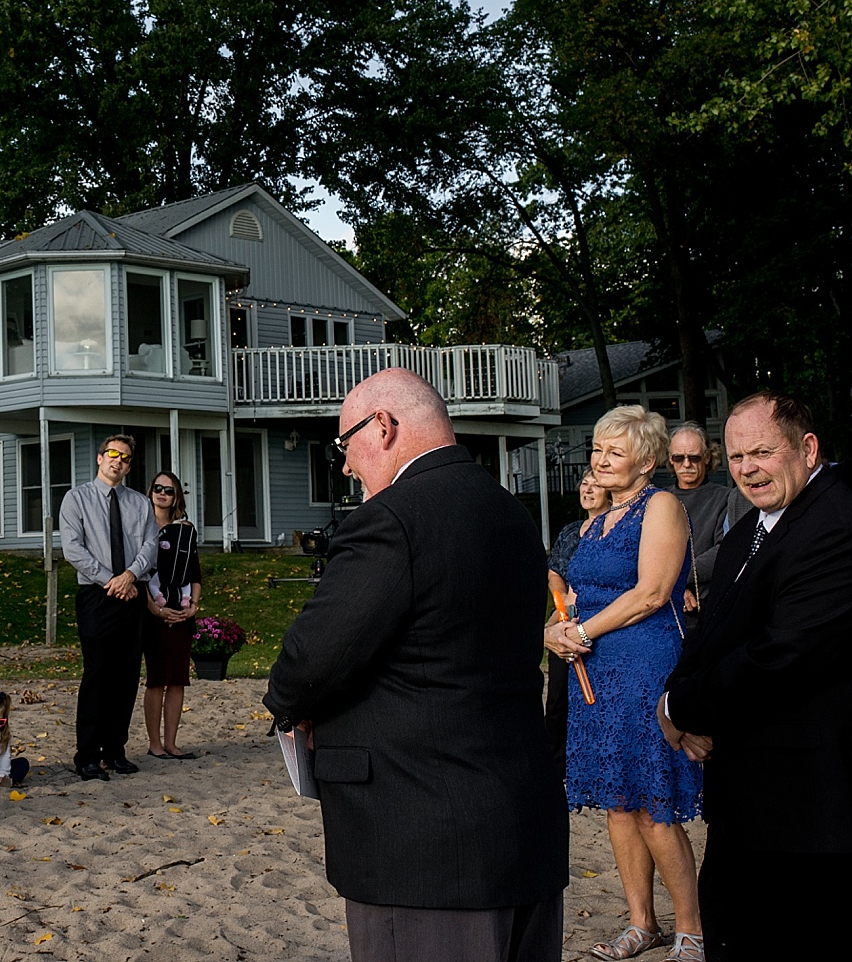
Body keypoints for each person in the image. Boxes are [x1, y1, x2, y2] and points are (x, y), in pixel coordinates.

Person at [265, 368, 567, 962]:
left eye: (344, 445)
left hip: (423, 841)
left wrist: (291, 707)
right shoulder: (512, 515)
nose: (347, 467)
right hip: (520, 819)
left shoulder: (391, 521)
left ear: (382, 427)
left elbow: (308, 662)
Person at [659, 392, 852, 959]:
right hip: (747, 800)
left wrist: (682, 708)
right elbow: (712, 633)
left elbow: (781, 654)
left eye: (763, 452)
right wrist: (672, 697)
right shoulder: (750, 529)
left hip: (810, 811)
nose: (748, 469)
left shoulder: (835, 523)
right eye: (738, 456)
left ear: (807, 449)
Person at [545, 407, 703, 961]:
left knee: (653, 806)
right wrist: (556, 630)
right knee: (617, 803)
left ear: (648, 461)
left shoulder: (661, 507)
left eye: (615, 451)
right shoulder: (591, 521)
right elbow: (573, 591)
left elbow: (653, 593)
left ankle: (692, 927)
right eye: (597, 449)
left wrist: (582, 629)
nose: (600, 460)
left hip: (643, 668)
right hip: (593, 673)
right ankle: (643, 923)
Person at [59, 435, 156, 781]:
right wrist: (110, 580)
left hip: (132, 594)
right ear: (100, 458)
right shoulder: (76, 499)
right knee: (97, 674)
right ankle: (86, 755)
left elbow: (150, 545)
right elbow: (73, 550)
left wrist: (129, 576)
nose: (119, 461)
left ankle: (115, 751)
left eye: (126, 458)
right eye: (113, 455)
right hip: (97, 596)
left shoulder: (140, 504)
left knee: (127, 676)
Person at [544, 471, 608, 767]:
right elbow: (555, 570)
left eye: (596, 485)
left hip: (599, 619)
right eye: (585, 483)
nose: (589, 489)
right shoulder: (571, 531)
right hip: (565, 617)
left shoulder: (615, 530)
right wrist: (561, 603)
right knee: (558, 695)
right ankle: (555, 761)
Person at [665, 421, 752, 627]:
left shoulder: (728, 498)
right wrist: (675, 588)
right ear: (670, 459)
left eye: (694, 457)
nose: (686, 464)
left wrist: (673, 578)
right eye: (679, 458)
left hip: (708, 608)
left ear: (707, 458)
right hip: (663, 609)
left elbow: (726, 549)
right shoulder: (659, 499)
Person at [140, 470, 201, 761]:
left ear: (176, 496)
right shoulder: (140, 527)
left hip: (181, 610)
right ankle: (154, 744)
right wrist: (153, 607)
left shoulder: (185, 530)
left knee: (177, 680)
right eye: (158, 488)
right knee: (156, 680)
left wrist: (193, 607)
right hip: (153, 613)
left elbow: (195, 572)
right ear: (150, 491)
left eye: (169, 490)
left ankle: (172, 743)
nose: (162, 493)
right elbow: (138, 572)